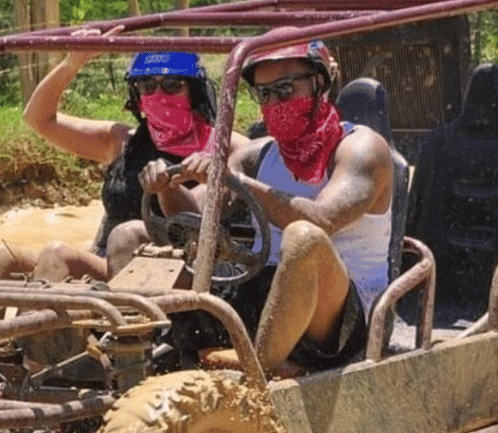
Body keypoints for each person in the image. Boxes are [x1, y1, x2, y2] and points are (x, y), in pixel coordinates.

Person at [0, 29, 248, 378]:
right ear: (137, 95)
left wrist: (171, 185)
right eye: (148, 87)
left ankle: (52, 375)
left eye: (171, 85)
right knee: (8, 256)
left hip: (183, 272)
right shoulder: (123, 141)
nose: (159, 95)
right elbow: (39, 119)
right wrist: (72, 63)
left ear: (193, 90)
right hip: (111, 265)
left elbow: (204, 220)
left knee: (99, 241)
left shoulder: (227, 147)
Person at [169, 29, 394, 376]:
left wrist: (236, 179)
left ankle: (257, 375)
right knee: (132, 234)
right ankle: (129, 359)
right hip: (261, 293)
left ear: (320, 82)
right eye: (265, 93)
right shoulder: (257, 155)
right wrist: (163, 189)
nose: (275, 103)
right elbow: (195, 219)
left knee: (303, 238)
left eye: (285, 90)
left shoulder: (362, 149)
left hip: (341, 321)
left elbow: (321, 220)